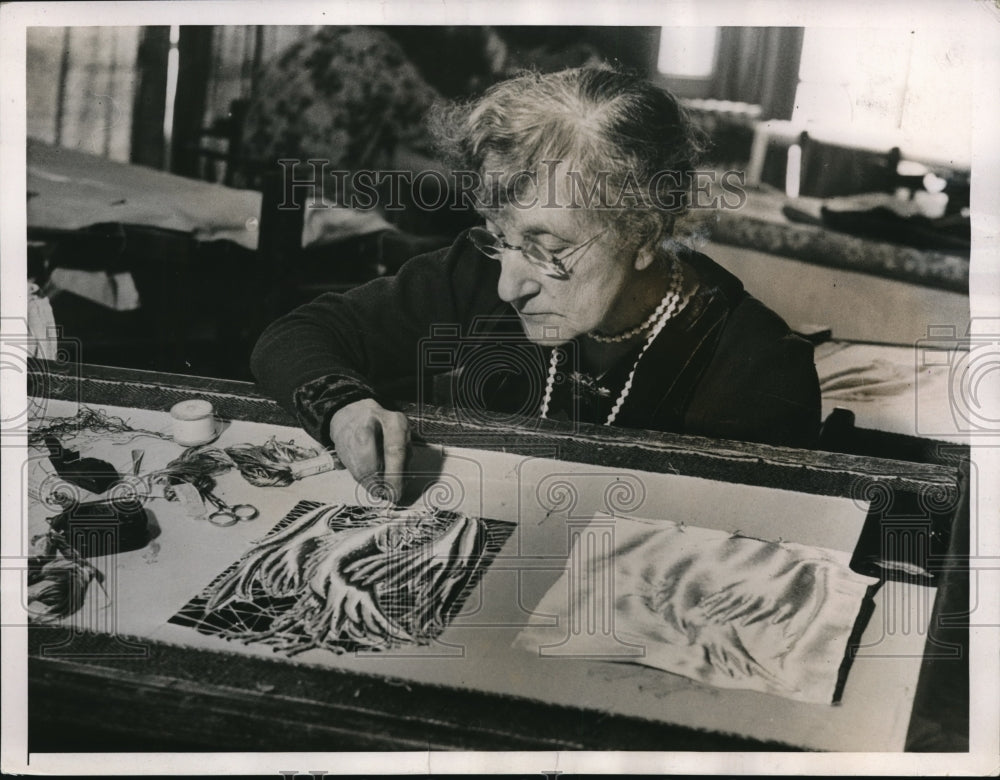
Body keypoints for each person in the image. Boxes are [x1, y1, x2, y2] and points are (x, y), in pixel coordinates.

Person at [251, 67, 821, 501]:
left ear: (643, 230)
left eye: (547, 250)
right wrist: (344, 407)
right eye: (501, 236)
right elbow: (300, 333)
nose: (507, 287)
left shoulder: (759, 372)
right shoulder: (475, 270)